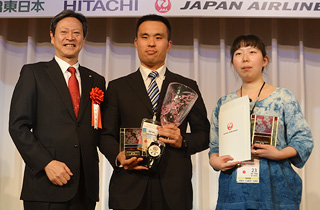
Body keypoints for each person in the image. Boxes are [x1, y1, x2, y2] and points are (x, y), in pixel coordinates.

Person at [99, 14, 210, 210]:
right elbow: (105, 135)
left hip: (174, 189)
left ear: (168, 45)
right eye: (145, 37)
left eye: (158, 37)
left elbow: (204, 134)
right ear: (136, 42)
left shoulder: (186, 87)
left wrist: (183, 141)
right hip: (129, 186)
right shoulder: (118, 87)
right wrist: (119, 156)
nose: (151, 43)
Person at [9, 10, 106, 210]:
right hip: (46, 183)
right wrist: (46, 163)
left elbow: (99, 130)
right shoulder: (34, 73)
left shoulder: (96, 80)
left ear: (84, 38)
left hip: (84, 188)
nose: (70, 38)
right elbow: (18, 126)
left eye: (76, 33)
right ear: (52, 37)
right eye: (64, 32)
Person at [209, 34, 314, 210]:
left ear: (265, 60)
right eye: (238, 53)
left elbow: (303, 140)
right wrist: (215, 162)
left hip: (275, 189)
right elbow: (215, 147)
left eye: (252, 52)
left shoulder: (282, 98)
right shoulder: (224, 104)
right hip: (234, 190)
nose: (245, 58)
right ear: (233, 64)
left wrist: (279, 154)